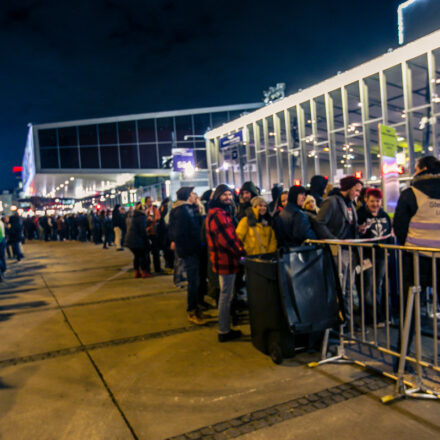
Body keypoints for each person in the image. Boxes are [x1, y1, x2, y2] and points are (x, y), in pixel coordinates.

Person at [393, 155, 440, 369]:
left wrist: (411, 245)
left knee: (409, 310)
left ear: (421, 169)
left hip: (415, 260)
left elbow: (400, 227)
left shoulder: (410, 194)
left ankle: (402, 360)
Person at [315, 175, 363, 323]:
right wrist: (333, 241)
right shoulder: (331, 202)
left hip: (349, 250)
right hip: (338, 251)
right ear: (348, 188)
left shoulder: (350, 204)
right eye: (356, 190)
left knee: (348, 288)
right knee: (340, 288)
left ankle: (347, 321)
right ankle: (340, 321)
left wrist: (359, 229)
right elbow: (319, 223)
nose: (358, 194)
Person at [206, 184, 244, 342]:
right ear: (217, 197)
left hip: (222, 259)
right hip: (226, 260)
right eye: (224, 195)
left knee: (226, 295)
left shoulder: (216, 212)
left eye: (229, 194)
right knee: (226, 296)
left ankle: (224, 328)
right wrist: (242, 253)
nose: (228, 197)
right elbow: (228, 240)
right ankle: (223, 330)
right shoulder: (219, 214)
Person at [169, 187, 207, 325]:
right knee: (193, 281)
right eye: (192, 194)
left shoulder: (186, 209)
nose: (194, 196)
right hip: (190, 251)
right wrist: (189, 247)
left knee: (195, 280)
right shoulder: (183, 211)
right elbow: (180, 233)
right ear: (187, 196)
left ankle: (196, 307)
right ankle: (192, 310)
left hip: (191, 249)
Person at [357, 188, 392, 324]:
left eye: (377, 201)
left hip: (381, 255)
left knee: (378, 285)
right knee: (367, 286)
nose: (375, 204)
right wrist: (360, 230)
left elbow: (388, 232)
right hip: (366, 256)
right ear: (366, 200)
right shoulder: (360, 214)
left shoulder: (384, 215)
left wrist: (388, 249)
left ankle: (379, 315)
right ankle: (370, 317)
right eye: (372, 201)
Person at [125, 202, 153, 278]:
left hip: (130, 241)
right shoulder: (142, 216)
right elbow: (142, 230)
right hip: (136, 241)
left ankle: (136, 272)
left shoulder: (136, 216)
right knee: (143, 255)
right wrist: (147, 240)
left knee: (137, 256)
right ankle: (144, 272)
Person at [145, 197, 162, 273]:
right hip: (146, 233)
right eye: (149, 201)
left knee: (156, 252)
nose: (150, 203)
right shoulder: (144, 210)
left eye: (151, 201)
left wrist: (154, 219)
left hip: (154, 233)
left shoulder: (155, 210)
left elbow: (158, 217)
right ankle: (147, 269)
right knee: (146, 253)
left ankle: (157, 268)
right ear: (145, 202)